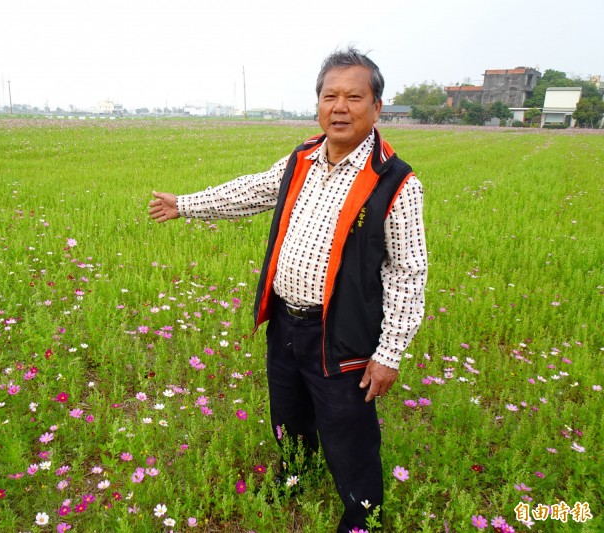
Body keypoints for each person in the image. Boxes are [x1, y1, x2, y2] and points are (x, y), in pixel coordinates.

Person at [148, 47, 427, 532]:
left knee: (348, 430)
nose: (339, 107)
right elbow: (253, 190)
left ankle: (363, 517)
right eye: (329, 96)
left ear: (377, 107)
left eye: (354, 97)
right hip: (287, 320)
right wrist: (186, 204)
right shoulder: (301, 159)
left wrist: (390, 353)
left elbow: (408, 271)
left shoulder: (396, 182)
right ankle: (296, 471)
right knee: (289, 413)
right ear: (317, 103)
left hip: (342, 331)